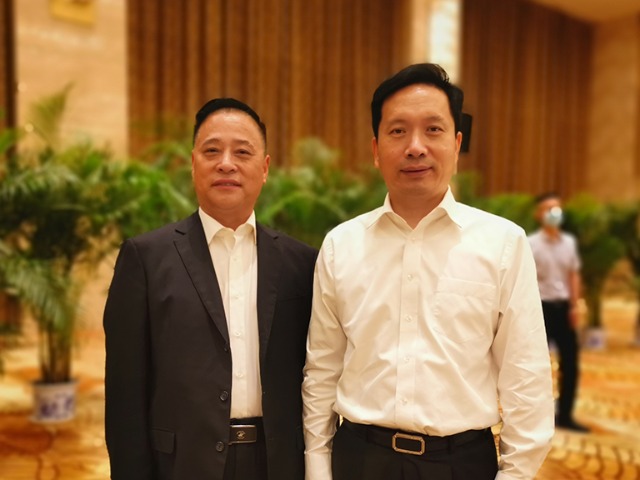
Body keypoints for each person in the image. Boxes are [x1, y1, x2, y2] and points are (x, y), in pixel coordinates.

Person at [302, 63, 554, 480]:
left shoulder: (503, 243)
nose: (415, 147)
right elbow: (322, 370)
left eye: (433, 130)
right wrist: (317, 466)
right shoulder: (340, 245)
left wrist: (515, 473)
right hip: (359, 460)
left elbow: (526, 377)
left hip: (460, 464)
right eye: (398, 131)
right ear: (376, 149)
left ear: (457, 143)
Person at [104, 97, 318, 480]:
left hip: (277, 463)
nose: (226, 164)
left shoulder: (302, 263)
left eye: (242, 152)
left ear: (265, 168)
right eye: (212, 151)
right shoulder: (146, 259)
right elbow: (125, 398)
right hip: (183, 464)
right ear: (193, 163)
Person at [528, 192, 588, 433]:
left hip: (563, 308)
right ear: (538, 214)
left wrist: (575, 305)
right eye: (548, 209)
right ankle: (534, 416)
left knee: (571, 363)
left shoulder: (569, 243)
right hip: (540, 308)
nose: (554, 213)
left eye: (557, 208)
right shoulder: (531, 243)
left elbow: (573, 274)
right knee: (536, 364)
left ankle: (565, 415)